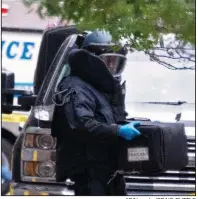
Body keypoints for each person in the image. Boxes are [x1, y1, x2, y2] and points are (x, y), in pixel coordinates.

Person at [52, 30, 141, 196]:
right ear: (92, 62)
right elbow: (81, 123)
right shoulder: (75, 87)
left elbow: (111, 118)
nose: (112, 67)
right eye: (108, 62)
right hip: (87, 173)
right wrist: (118, 131)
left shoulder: (104, 90)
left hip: (109, 170)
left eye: (116, 63)